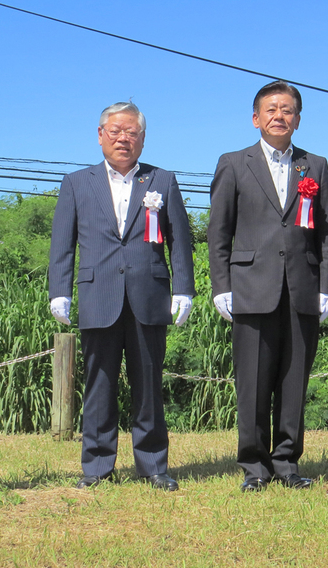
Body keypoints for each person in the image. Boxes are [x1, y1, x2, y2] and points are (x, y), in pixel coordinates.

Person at [48, 102, 195, 491]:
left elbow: (181, 240)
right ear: (100, 136)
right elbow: (62, 245)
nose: (123, 138)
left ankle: (154, 466)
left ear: (143, 139)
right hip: (98, 296)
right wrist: (59, 291)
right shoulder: (77, 183)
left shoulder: (161, 180)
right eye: (115, 131)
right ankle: (97, 467)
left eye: (131, 132)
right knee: (99, 384)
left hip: (149, 295)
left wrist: (184, 289)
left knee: (148, 383)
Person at [207, 80, 328, 492]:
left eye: (287, 110)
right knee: (253, 382)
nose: (279, 116)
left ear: (298, 119)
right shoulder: (233, 162)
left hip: (302, 287)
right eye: (271, 109)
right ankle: (254, 466)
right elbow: (218, 232)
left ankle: (286, 463)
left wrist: (327, 284)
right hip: (249, 287)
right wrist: (221, 284)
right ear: (255, 118)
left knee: (294, 380)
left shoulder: (314, 165)